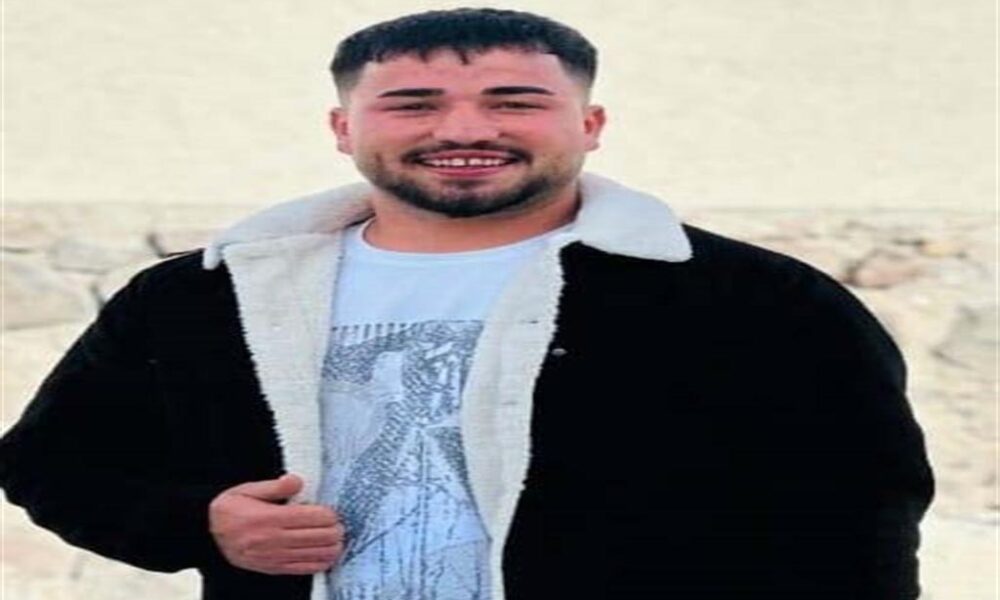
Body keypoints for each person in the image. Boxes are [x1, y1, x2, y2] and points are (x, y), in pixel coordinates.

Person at [0, 8, 934, 600]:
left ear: (590, 124)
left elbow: (851, 524)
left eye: (514, 101)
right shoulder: (203, 298)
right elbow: (53, 463)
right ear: (343, 128)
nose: (464, 128)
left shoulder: (757, 303)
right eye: (412, 104)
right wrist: (199, 521)